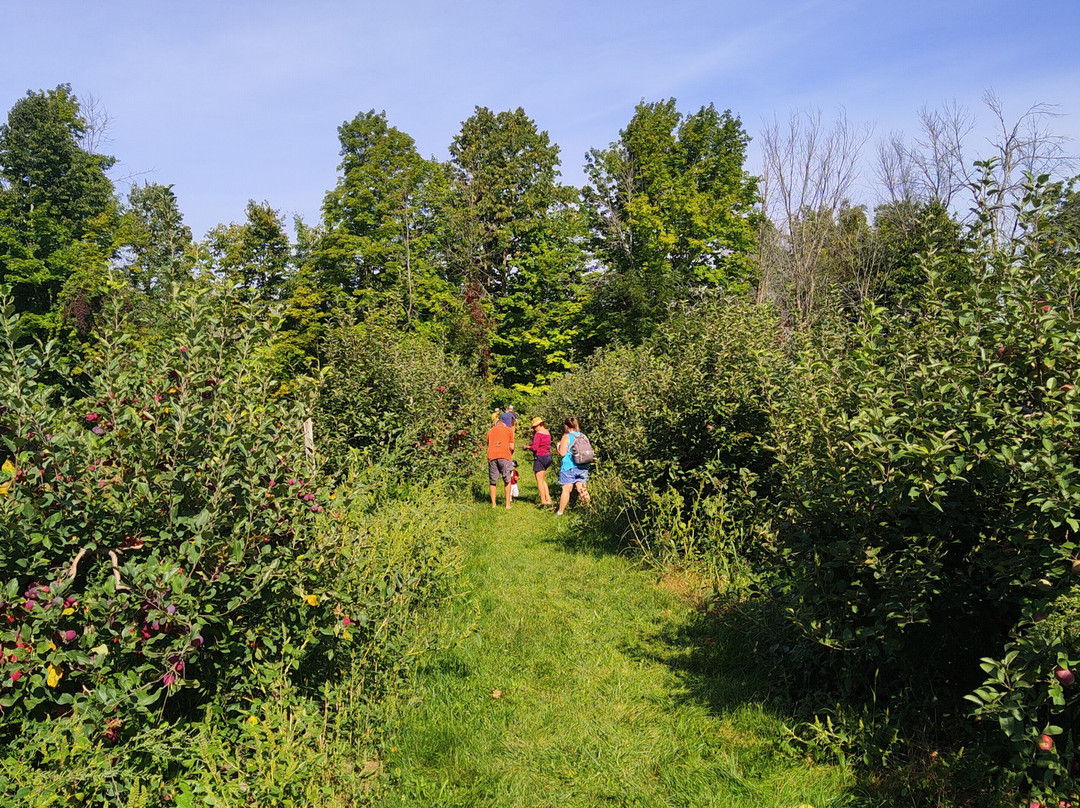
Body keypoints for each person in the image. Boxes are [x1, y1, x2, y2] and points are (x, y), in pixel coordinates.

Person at [555, 416, 590, 516]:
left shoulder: (566, 437)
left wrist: (558, 447)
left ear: (566, 426)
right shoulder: (583, 436)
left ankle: (560, 512)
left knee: (566, 489)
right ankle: (588, 511)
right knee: (582, 488)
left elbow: (562, 453)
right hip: (583, 465)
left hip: (569, 467)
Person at [487, 411, 516, 509]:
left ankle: (493, 504)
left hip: (492, 456)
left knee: (493, 481)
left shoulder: (490, 431)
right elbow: (512, 447)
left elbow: (488, 444)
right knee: (507, 480)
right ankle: (507, 504)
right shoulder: (509, 431)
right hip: (504, 455)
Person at [528, 416, 553, 507]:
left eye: (535, 426)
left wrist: (527, 447)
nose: (534, 429)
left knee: (539, 480)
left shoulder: (538, 434)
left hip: (540, 457)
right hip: (547, 456)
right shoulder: (547, 433)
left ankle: (543, 500)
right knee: (543, 479)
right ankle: (548, 498)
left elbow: (534, 447)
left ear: (540, 424)